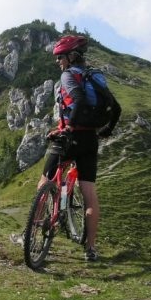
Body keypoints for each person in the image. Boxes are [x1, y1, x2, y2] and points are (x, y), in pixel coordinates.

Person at [39, 34, 120, 262]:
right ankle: (91, 249)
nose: (58, 62)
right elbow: (117, 108)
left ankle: (31, 230)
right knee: (90, 194)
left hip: (69, 137)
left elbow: (79, 100)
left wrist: (69, 128)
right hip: (89, 141)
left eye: (60, 57)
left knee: (45, 182)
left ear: (70, 56)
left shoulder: (68, 76)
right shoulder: (94, 77)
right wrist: (106, 131)